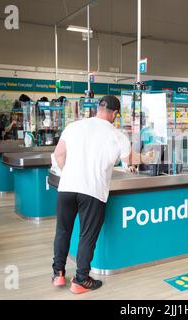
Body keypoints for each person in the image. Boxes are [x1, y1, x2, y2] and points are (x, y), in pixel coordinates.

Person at [52, 95, 133, 294]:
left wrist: (68, 174)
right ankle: (80, 280)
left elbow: (59, 154)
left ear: (98, 108)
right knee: (86, 236)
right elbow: (129, 161)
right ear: (115, 114)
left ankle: (58, 274)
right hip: (93, 191)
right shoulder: (118, 135)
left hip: (67, 187)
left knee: (63, 231)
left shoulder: (74, 126)